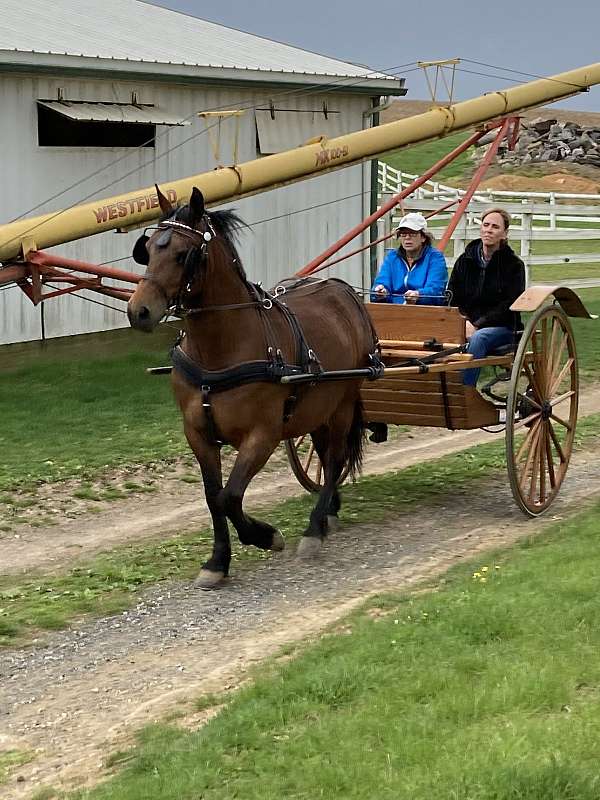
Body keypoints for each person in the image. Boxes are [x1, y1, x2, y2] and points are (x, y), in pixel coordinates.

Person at [447, 208, 526, 386]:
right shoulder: (464, 260)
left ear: (505, 233)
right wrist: (465, 321)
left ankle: (463, 393)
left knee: (479, 338)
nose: (489, 230)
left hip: (502, 328)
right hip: (464, 323)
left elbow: (510, 304)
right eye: (486, 225)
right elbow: (452, 295)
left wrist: (477, 324)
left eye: (495, 227)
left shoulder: (514, 265)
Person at [371, 212, 448, 305]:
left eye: (412, 234)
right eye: (403, 234)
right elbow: (381, 283)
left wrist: (418, 295)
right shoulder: (392, 257)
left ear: (423, 237)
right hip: (393, 311)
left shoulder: (435, 258)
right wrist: (380, 291)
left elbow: (435, 291)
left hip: (424, 312)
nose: (407, 238)